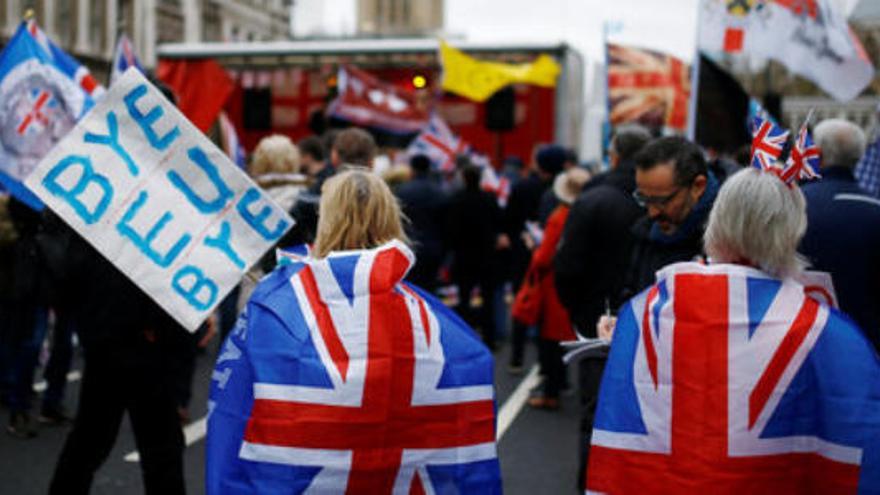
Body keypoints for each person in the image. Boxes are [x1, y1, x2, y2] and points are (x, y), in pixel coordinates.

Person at [587, 167, 880, 493]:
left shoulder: (646, 312)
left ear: (718, 218)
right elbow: (858, 436)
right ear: (792, 230)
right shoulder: (823, 329)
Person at [206, 169, 501, 493]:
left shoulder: (276, 305)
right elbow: (468, 415)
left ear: (326, 219)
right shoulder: (435, 319)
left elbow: (231, 413)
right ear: (392, 219)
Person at [552, 125, 650, 487]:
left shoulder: (593, 200)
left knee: (596, 414)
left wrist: (579, 310)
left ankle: (592, 485)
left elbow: (567, 266)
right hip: (654, 322)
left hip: (597, 322)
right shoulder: (668, 201)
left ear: (614, 155)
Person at [800, 119, 880, 351]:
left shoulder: (791, 205)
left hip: (804, 348)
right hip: (867, 350)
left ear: (817, 155)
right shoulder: (874, 208)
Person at [525, 167, 591, 410]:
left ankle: (551, 392)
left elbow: (543, 258)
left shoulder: (559, 216)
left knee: (550, 339)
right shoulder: (585, 214)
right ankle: (561, 383)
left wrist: (534, 248)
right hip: (579, 280)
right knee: (564, 335)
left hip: (553, 283)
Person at [624, 135, 720, 296]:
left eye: (662, 200)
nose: (652, 212)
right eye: (644, 199)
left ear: (698, 187)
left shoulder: (726, 243)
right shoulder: (644, 234)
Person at [395, 154, 448, 292]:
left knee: (409, 290)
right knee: (430, 290)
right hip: (434, 249)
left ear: (412, 169)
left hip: (410, 246)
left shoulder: (403, 191)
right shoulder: (440, 192)